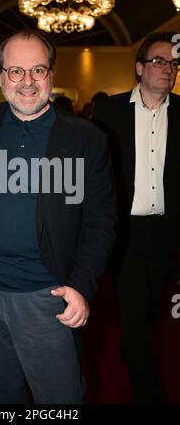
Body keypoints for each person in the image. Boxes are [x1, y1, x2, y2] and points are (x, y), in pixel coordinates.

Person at [0, 30, 116, 404]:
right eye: (16, 71)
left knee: (60, 398)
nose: (28, 82)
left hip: (44, 294)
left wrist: (82, 284)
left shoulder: (86, 138)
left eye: (38, 70)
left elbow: (101, 222)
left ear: (51, 73)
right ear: (0, 76)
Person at [93, 31, 180, 403]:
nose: (168, 69)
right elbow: (96, 172)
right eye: (159, 61)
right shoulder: (109, 111)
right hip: (124, 231)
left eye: (173, 64)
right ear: (139, 68)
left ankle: (133, 346)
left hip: (166, 230)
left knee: (152, 303)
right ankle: (148, 391)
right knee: (134, 306)